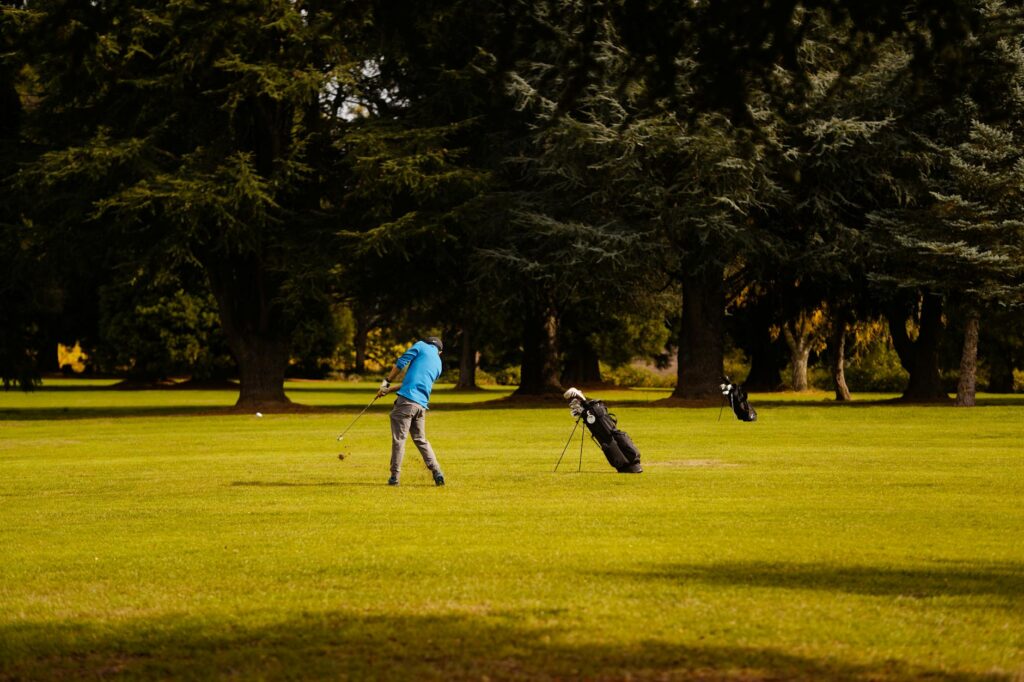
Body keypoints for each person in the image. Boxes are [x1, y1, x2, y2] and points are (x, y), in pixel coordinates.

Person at [376, 336, 446, 487]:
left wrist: (386, 382)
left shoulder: (420, 345)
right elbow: (414, 382)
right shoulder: (439, 364)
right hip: (421, 407)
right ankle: (437, 471)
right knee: (421, 440)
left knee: (399, 439)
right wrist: (388, 391)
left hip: (406, 403)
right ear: (439, 351)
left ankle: (394, 477)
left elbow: (401, 362)